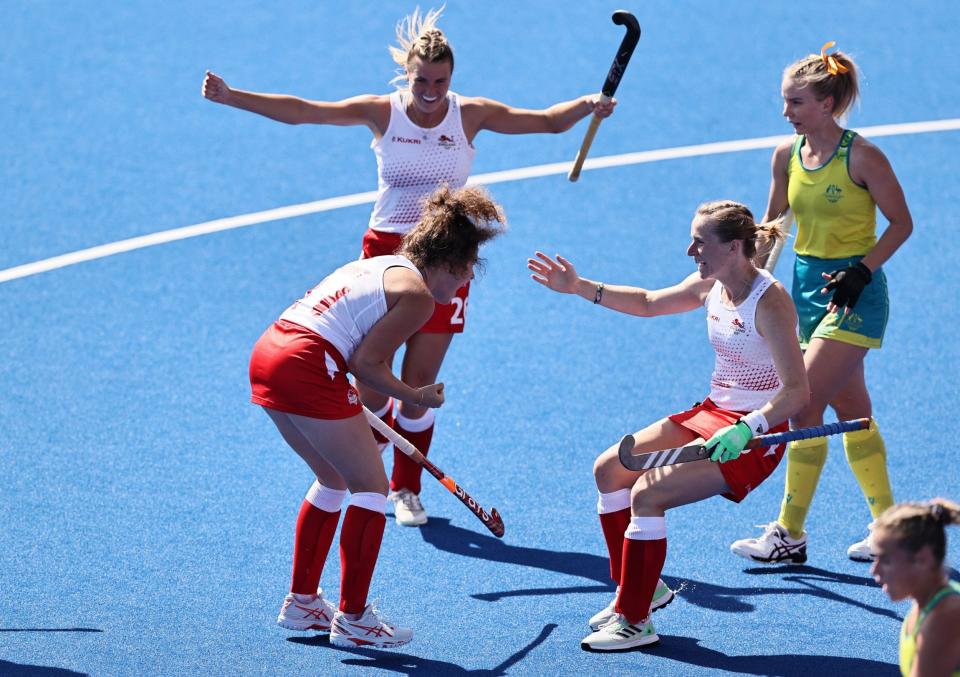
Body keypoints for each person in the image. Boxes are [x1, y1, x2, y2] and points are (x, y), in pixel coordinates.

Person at [204, 6, 615, 528]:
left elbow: (549, 123)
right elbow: (305, 110)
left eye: (440, 81)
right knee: (373, 382)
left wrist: (588, 105)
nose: (431, 90)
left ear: (451, 77)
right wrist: (233, 96)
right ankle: (367, 466)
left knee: (420, 383)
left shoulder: (470, 114)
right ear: (409, 74)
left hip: (444, 258)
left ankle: (405, 488)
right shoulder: (383, 112)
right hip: (386, 254)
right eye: (422, 79)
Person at [528, 201, 809, 652]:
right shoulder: (711, 283)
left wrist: (747, 428)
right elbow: (647, 302)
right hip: (715, 411)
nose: (689, 249)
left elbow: (797, 393)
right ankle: (642, 591)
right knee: (610, 470)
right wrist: (579, 287)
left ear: (734, 247)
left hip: (758, 435)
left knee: (648, 494)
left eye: (700, 241)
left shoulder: (771, 303)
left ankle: (635, 621)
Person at [250, 185, 505, 648]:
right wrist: (415, 394)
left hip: (272, 353)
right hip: (309, 362)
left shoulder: (377, 266)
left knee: (332, 478)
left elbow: (348, 349)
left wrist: (344, 387)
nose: (465, 282)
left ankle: (303, 601)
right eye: (468, 272)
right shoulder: (418, 295)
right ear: (452, 262)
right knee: (369, 486)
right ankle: (353, 619)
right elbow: (368, 365)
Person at [730, 42, 913, 564]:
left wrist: (863, 269)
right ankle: (891, 529)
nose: (785, 112)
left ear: (828, 104)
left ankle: (789, 531)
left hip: (856, 293)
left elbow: (903, 223)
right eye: (785, 102)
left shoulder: (863, 156)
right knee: (853, 411)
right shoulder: (785, 156)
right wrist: (750, 280)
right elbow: (773, 228)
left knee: (802, 403)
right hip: (806, 291)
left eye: (796, 103)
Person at [871, 499, 960, 676]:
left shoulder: (944, 618)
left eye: (886, 560)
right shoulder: (928, 602)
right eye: (875, 558)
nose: (874, 570)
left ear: (923, 559)